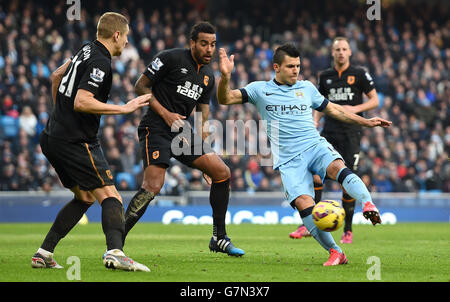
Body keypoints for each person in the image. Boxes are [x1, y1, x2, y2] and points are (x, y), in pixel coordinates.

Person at [217, 43, 391, 266]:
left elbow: (334, 109)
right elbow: (225, 99)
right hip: (289, 160)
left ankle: (368, 204)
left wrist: (365, 122)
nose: (296, 70)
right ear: (276, 67)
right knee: (305, 205)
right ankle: (337, 252)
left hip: (314, 146)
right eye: (290, 66)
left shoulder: (307, 88)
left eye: (298, 66)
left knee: (339, 167)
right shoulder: (259, 89)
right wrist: (225, 76)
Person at [31, 12, 152, 272]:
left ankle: (44, 253)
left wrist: (59, 116)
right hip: (75, 140)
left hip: (52, 136)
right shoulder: (100, 60)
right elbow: (82, 101)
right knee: (111, 196)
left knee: (85, 196)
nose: (127, 43)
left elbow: (55, 76)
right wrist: (124, 108)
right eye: (127, 37)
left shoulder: (85, 50)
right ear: (116, 35)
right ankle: (115, 252)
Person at [122, 21, 244, 256]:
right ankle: (116, 241)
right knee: (152, 187)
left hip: (182, 132)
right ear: (192, 43)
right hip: (155, 127)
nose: (209, 49)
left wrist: (205, 156)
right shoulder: (170, 58)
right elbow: (140, 86)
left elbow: (203, 117)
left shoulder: (208, 75)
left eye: (213, 44)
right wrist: (166, 114)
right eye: (204, 44)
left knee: (221, 172)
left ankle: (219, 238)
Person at [289, 37, 380, 243]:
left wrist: (354, 110)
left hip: (351, 133)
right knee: (315, 176)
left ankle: (347, 229)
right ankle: (308, 223)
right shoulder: (326, 76)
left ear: (349, 52)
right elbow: (319, 104)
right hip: (329, 132)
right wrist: (314, 121)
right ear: (332, 52)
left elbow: (374, 99)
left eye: (344, 49)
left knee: (346, 182)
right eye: (337, 49)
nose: (340, 52)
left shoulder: (359, 74)